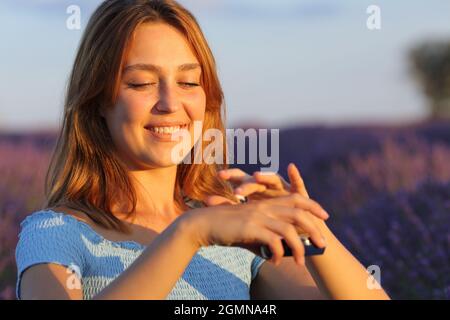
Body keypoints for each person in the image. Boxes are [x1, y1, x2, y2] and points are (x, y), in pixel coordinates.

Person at [15, 0, 390, 300]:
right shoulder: (55, 233)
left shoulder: (231, 228)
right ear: (98, 99)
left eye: (188, 81)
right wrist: (187, 234)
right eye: (142, 83)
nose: (169, 102)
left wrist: (308, 227)